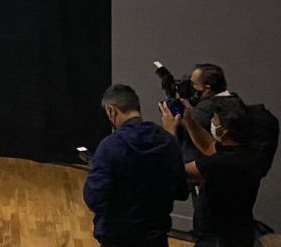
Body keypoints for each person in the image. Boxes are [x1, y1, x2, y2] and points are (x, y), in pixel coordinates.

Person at [84, 84, 188, 247]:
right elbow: (181, 191)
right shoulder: (167, 141)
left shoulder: (109, 147)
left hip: (117, 238)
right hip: (156, 237)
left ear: (112, 110)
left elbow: (94, 199)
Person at [161, 97, 264, 247]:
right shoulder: (250, 154)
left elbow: (175, 171)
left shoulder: (217, 164)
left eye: (214, 120)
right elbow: (209, 145)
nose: (212, 123)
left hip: (215, 239)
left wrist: (170, 132)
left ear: (224, 129)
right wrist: (188, 120)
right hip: (241, 234)